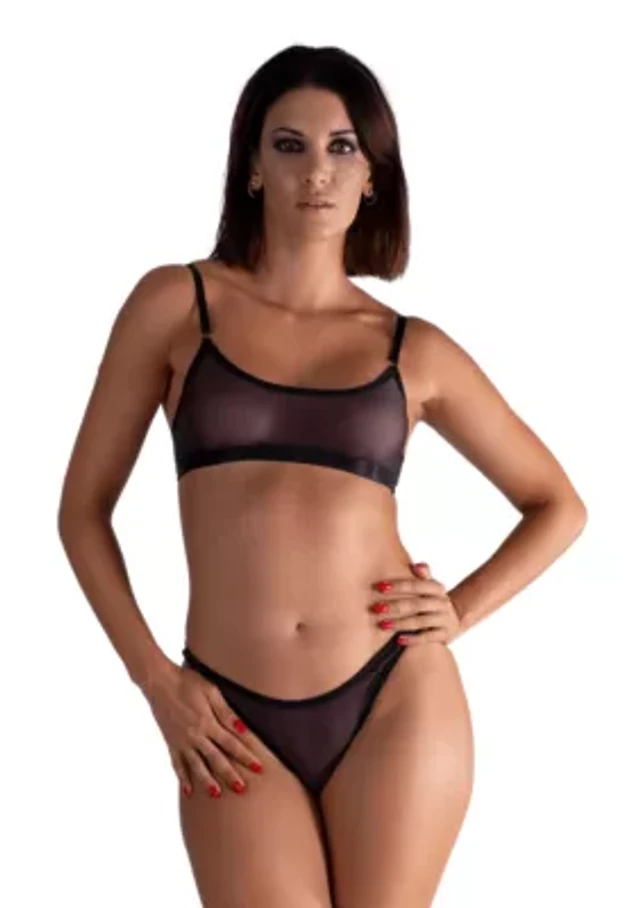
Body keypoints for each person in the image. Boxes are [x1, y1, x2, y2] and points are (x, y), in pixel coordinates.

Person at [57, 44, 588, 908]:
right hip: (227, 716)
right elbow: (82, 512)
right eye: (289, 145)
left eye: (343, 147)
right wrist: (156, 681)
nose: (317, 172)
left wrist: (459, 609)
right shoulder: (176, 306)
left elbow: (557, 504)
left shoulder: (412, 349)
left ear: (373, 175)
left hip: (393, 696)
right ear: (252, 167)